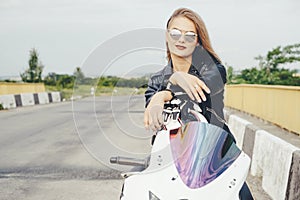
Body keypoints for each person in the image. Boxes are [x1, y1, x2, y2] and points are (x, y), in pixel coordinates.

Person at [143, 8, 253, 200]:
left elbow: (202, 89)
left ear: (197, 40)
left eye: (189, 35)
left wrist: (170, 86)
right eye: (175, 33)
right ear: (167, 36)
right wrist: (160, 94)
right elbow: (151, 107)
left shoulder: (214, 70)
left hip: (214, 154)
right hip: (170, 158)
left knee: (241, 194)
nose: (181, 40)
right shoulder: (157, 79)